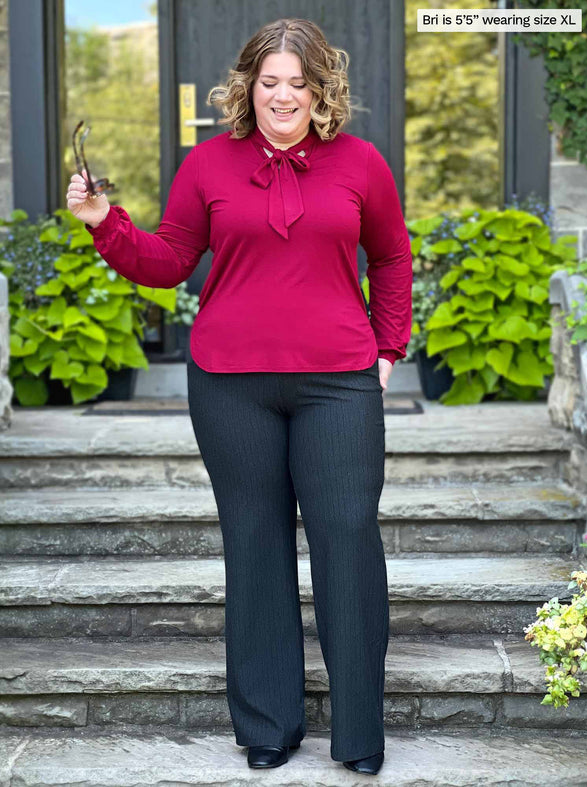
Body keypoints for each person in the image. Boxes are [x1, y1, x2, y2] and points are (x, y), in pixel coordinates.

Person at [66, 17, 412, 776]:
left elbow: (390, 255)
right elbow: (167, 262)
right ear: (246, 87)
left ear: (322, 90)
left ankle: (359, 734)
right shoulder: (209, 166)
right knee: (254, 548)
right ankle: (267, 727)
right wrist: (105, 223)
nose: (283, 97)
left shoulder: (361, 163)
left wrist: (388, 350)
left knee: (348, 541)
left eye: (298, 83)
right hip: (230, 386)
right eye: (269, 83)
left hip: (338, 385)